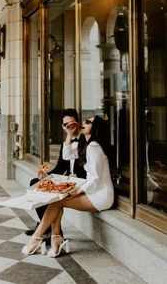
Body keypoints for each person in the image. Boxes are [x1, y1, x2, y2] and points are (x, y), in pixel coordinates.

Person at [22, 115, 114, 257]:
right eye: (84, 120)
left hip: (100, 195)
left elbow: (95, 179)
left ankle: (39, 237)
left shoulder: (94, 147)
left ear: (95, 128)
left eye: (88, 122)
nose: (84, 123)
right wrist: (69, 135)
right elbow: (66, 156)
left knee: (57, 202)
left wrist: (76, 192)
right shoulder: (87, 144)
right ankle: (54, 236)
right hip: (92, 190)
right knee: (56, 201)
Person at [24, 108, 87, 237]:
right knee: (35, 182)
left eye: (72, 124)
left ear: (78, 123)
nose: (69, 127)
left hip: (81, 182)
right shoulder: (66, 143)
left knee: (53, 197)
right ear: (62, 127)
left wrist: (69, 136)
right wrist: (46, 175)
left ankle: (52, 232)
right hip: (67, 180)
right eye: (66, 125)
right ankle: (44, 225)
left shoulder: (86, 140)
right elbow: (60, 168)